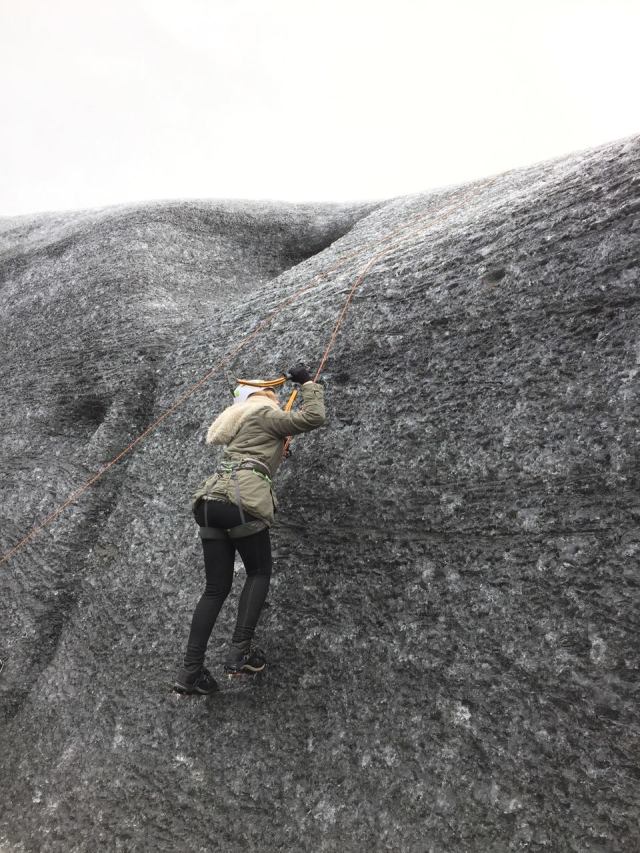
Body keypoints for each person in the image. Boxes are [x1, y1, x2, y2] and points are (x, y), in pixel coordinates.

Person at [173, 363, 327, 694]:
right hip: (240, 500)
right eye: (272, 393)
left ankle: (190, 673)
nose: (276, 398)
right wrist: (307, 384)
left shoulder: (242, 421)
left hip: (210, 502)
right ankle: (239, 652)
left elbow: (261, 446)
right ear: (261, 396)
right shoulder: (264, 413)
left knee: (215, 588)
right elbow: (313, 417)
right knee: (259, 572)